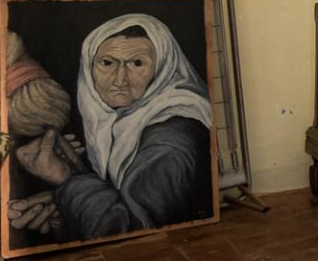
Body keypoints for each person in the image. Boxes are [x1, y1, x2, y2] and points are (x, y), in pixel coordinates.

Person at [14, 13, 212, 241]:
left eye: (137, 63)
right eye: (107, 63)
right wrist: (67, 209)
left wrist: (66, 179)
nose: (120, 79)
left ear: (162, 68)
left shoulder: (172, 141)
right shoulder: (129, 122)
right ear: (89, 67)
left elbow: (132, 236)